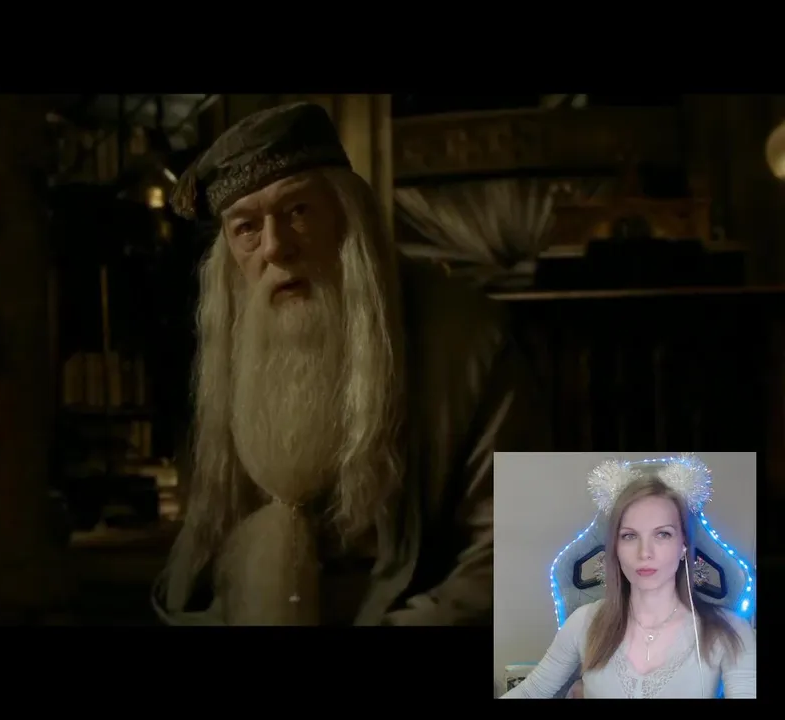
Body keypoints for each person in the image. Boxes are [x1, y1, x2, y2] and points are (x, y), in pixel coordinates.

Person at [150, 101, 545, 626]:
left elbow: (515, 550)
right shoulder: (235, 352)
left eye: (298, 211)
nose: (276, 247)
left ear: (347, 216)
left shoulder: (470, 340)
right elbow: (203, 558)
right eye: (247, 228)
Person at [502, 456, 757, 698]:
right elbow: (530, 692)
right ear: (615, 547)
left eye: (663, 534)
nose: (644, 553)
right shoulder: (584, 623)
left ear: (683, 545)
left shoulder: (731, 631)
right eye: (629, 536)